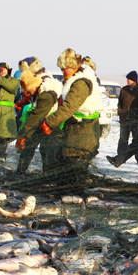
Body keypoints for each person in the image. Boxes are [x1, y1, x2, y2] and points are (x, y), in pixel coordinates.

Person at [41, 48, 104, 189]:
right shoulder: (74, 80)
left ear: (74, 66)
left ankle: (77, 194)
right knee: (70, 167)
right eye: (62, 69)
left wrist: (50, 122)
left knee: (77, 168)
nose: (64, 71)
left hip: (83, 133)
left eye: (66, 68)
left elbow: (69, 107)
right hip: (77, 131)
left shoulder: (81, 83)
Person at [15, 57, 64, 173]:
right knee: (29, 147)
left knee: (47, 150)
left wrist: (23, 135)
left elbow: (38, 114)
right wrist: (25, 100)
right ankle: (21, 171)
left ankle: (49, 176)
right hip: (42, 120)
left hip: (51, 123)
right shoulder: (38, 82)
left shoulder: (48, 87)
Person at [114, 71, 138, 165]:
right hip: (125, 119)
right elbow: (120, 103)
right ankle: (120, 157)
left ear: (134, 80)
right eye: (127, 79)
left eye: (130, 79)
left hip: (136, 120)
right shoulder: (124, 90)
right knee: (123, 139)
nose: (128, 80)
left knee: (137, 140)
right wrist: (120, 113)